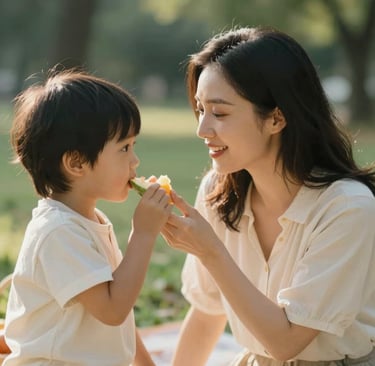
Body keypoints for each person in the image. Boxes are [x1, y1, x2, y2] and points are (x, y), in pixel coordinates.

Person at [162, 26, 375, 366]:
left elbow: (285, 342)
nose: (202, 129)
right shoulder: (218, 194)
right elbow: (206, 316)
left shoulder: (347, 209)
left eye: (220, 113)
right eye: (200, 109)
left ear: (277, 117)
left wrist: (211, 250)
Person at [4, 70, 172, 365]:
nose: (136, 160)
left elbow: (122, 317)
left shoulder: (89, 220)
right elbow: (112, 310)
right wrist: (143, 235)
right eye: (124, 148)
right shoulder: (58, 232)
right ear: (76, 162)